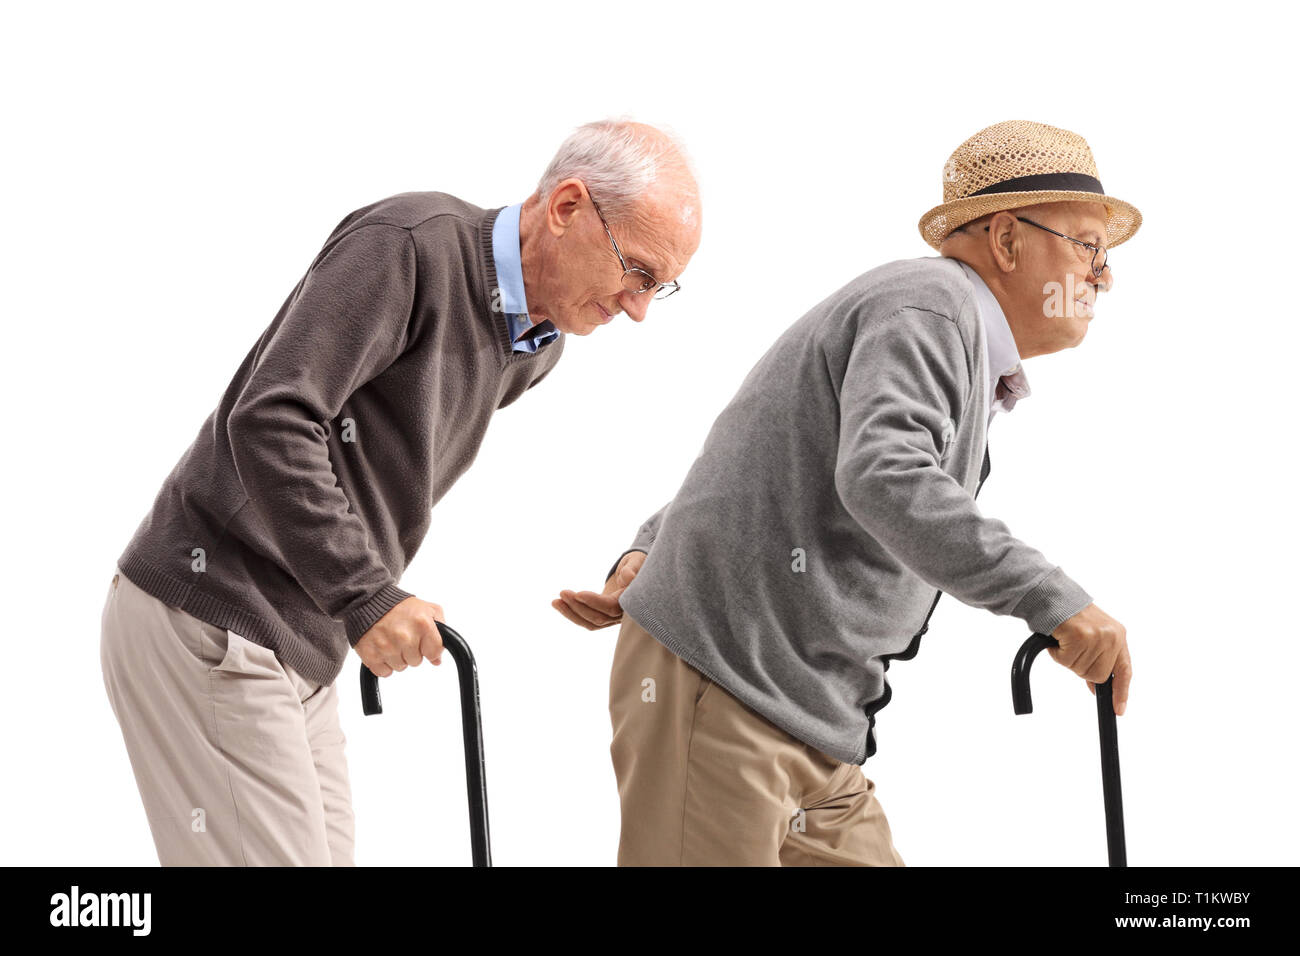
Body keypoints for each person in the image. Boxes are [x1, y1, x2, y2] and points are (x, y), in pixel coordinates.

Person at [101, 118, 702, 866]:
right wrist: (365, 595)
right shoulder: (410, 247)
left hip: (304, 636)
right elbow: (271, 419)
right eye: (636, 272)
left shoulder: (534, 347)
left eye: (659, 288)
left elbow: (373, 463)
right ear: (568, 206)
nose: (638, 307)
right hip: (215, 610)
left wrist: (357, 602)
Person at [553, 120, 1138, 866]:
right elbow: (884, 477)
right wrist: (1052, 598)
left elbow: (778, 443)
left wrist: (651, 546)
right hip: (726, 686)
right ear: (1006, 239)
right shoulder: (929, 305)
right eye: (1087, 245)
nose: (1103, 273)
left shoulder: (942, 328)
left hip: (809, 724)